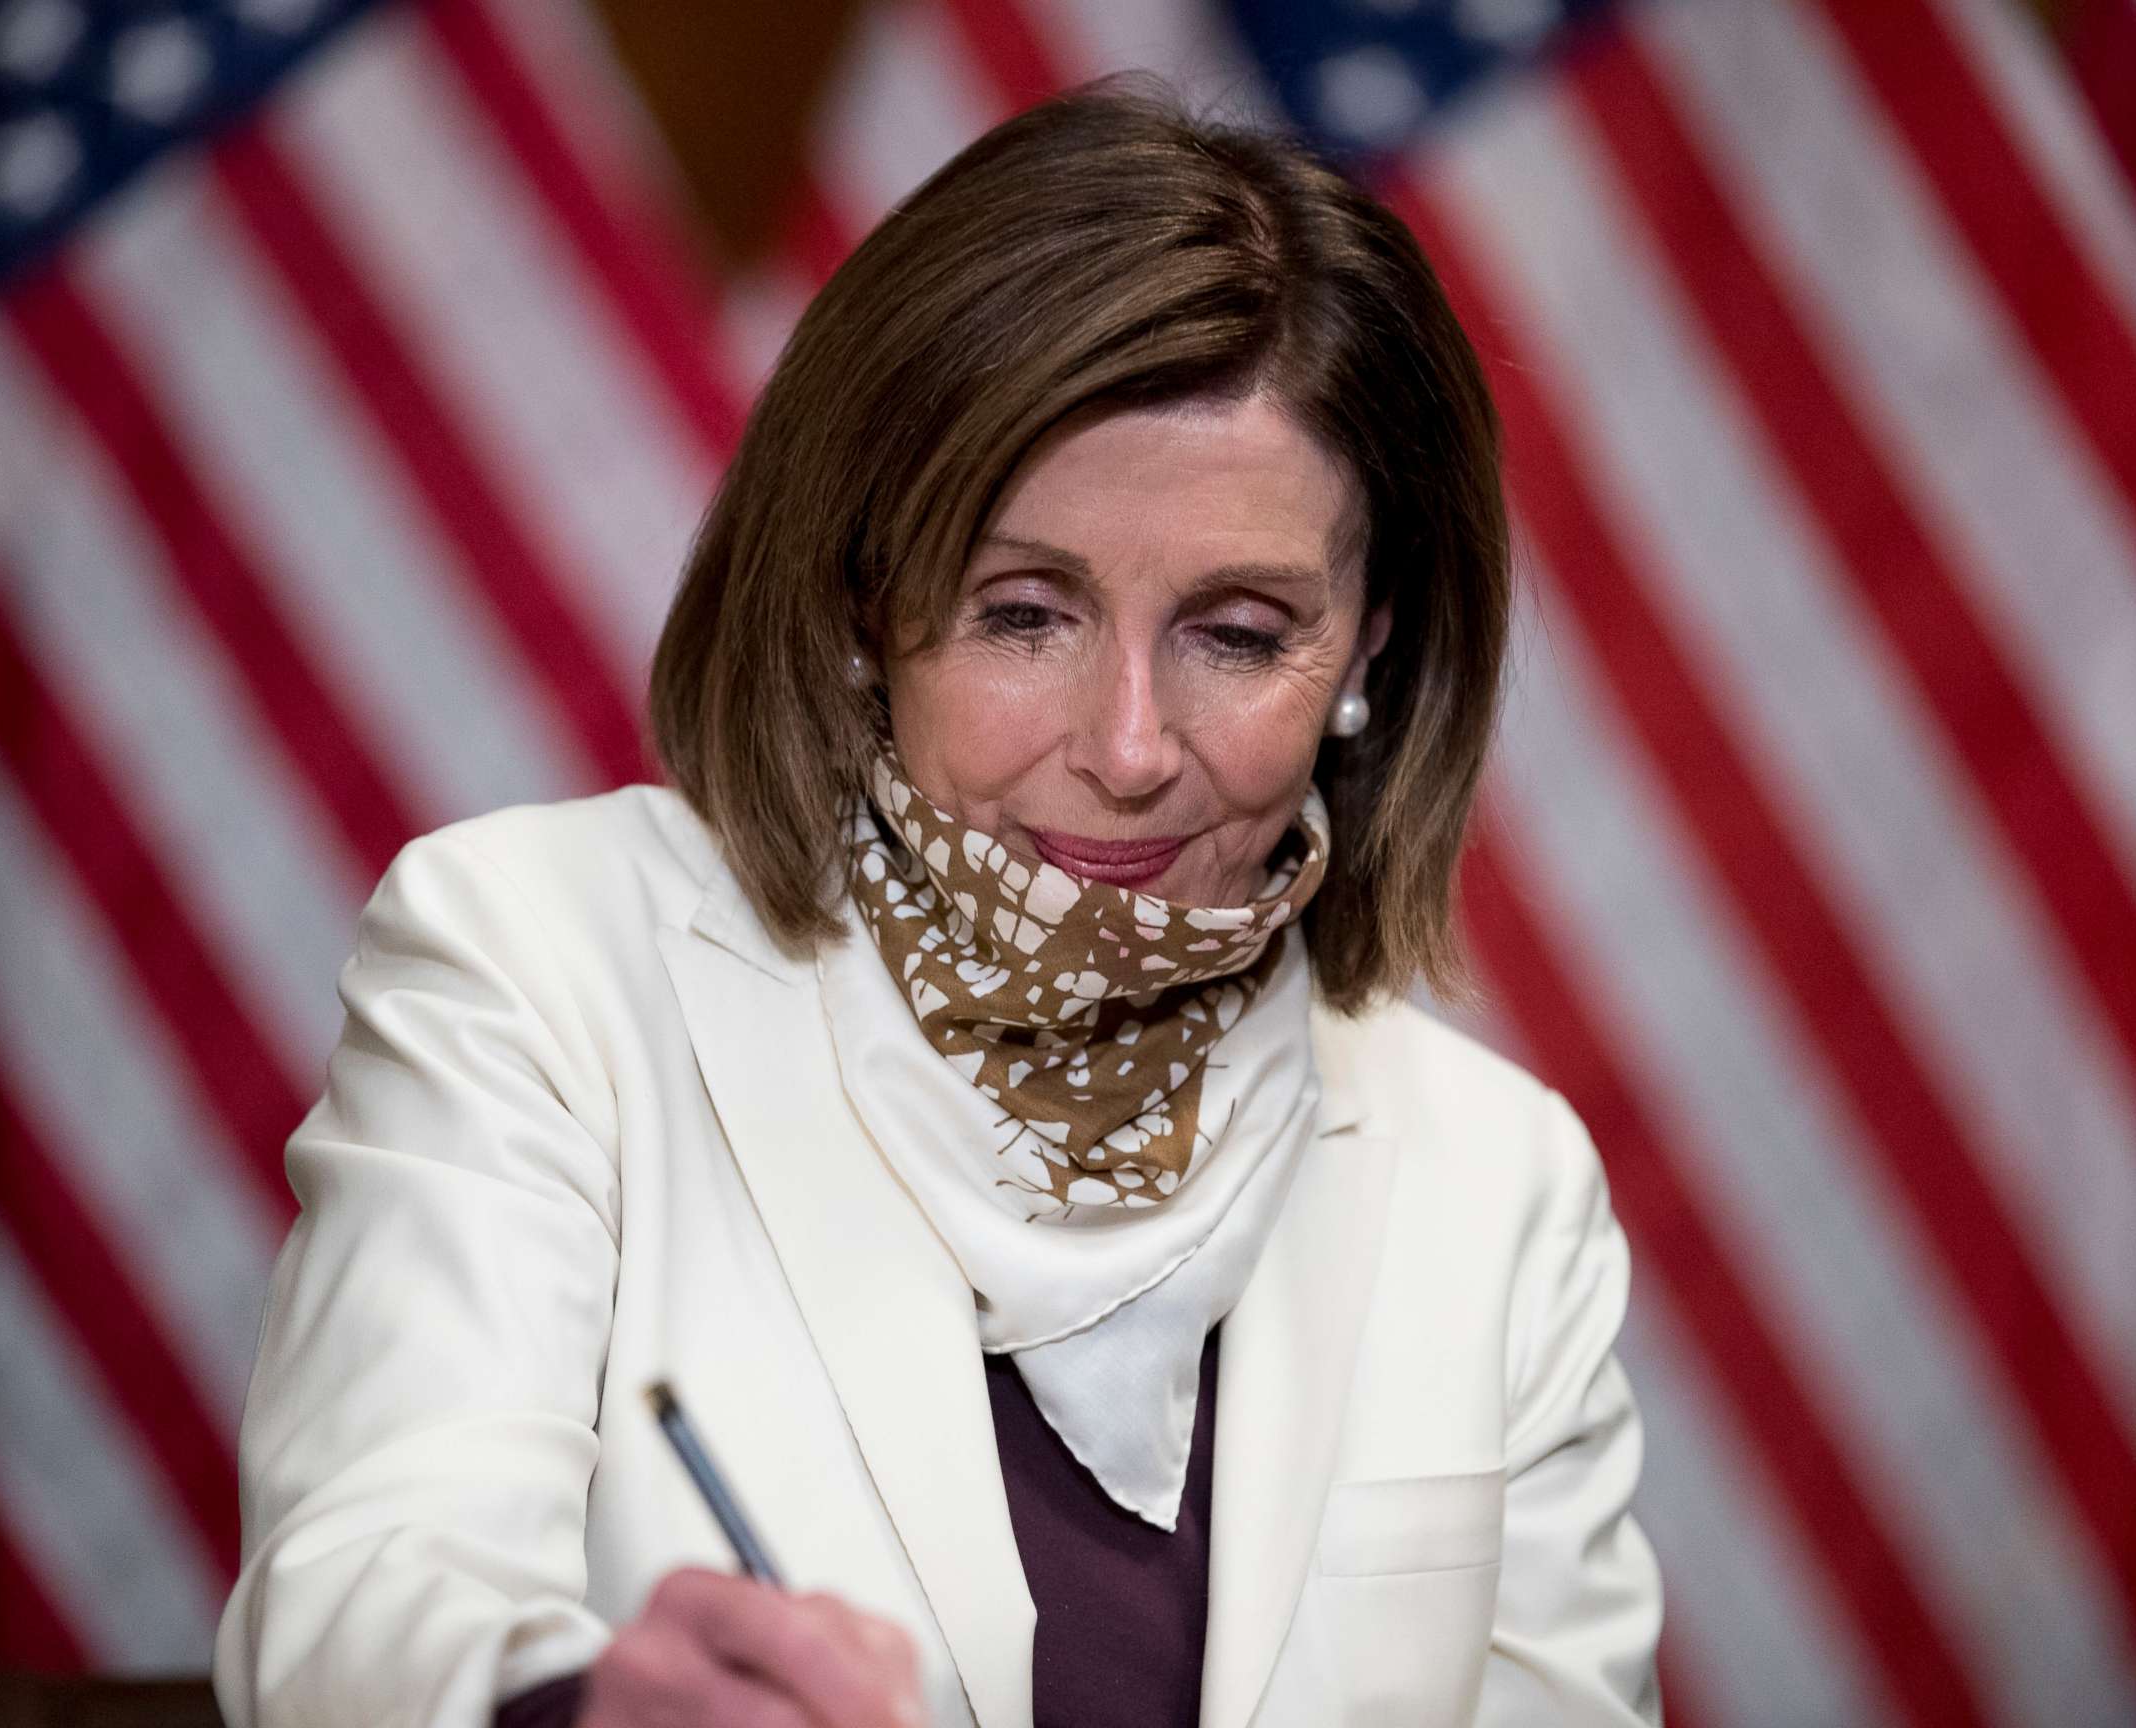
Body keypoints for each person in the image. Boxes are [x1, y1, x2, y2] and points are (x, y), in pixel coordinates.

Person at [215, 79, 1662, 1728]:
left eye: (1240, 635)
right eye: (1024, 613)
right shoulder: (534, 963)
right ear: (865, 592)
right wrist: (582, 1709)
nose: (1125, 750)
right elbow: (363, 1606)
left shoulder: (1502, 1185)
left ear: (1373, 647)